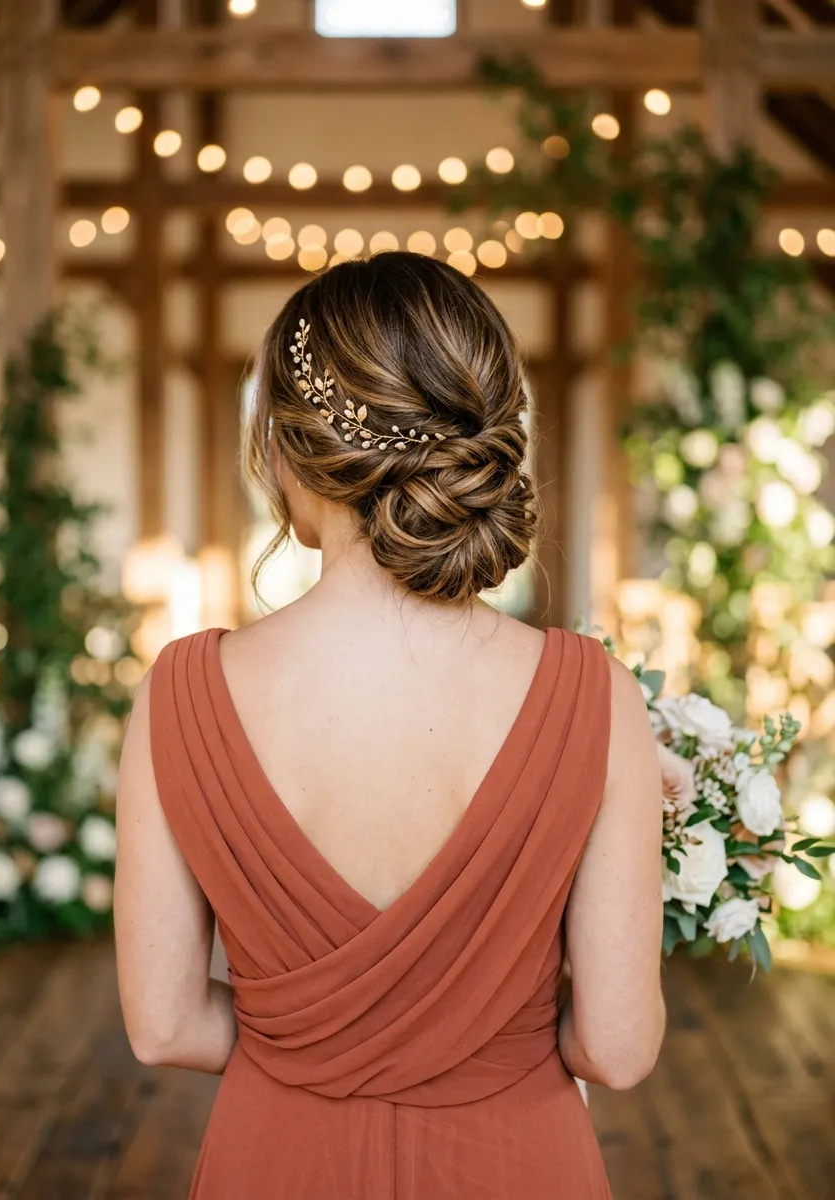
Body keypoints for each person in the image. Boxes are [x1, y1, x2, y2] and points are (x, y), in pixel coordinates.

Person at [114, 251, 665, 1199]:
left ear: (281, 451)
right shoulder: (594, 694)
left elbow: (164, 1026)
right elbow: (615, 1049)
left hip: (276, 1156)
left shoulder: (181, 694)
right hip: (518, 1161)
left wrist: (322, 1047)